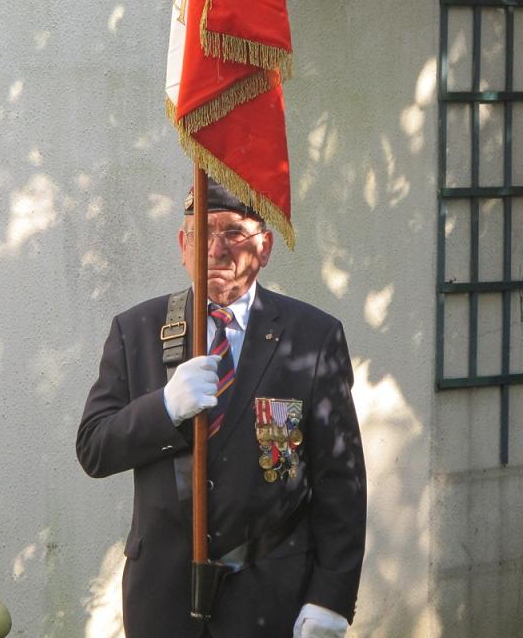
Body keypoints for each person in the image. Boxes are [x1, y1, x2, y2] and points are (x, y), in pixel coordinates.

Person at [76, 179, 367, 637]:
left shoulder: (311, 337)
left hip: (270, 595)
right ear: (181, 243)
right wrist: (164, 408)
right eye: (200, 233)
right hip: (163, 599)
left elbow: (341, 482)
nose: (215, 250)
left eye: (233, 233)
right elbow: (94, 448)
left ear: (265, 246)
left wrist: (331, 597)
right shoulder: (139, 330)